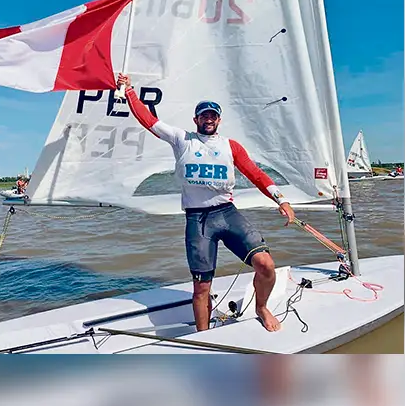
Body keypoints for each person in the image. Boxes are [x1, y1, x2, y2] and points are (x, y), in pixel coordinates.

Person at [117, 73, 295, 332]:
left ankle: (261, 307)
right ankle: (205, 336)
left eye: (213, 115)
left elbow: (256, 174)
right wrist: (129, 91)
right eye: (204, 115)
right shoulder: (182, 139)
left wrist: (282, 200)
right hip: (198, 220)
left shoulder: (230, 146)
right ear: (196, 119)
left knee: (266, 264)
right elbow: (149, 121)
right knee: (201, 287)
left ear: (219, 120)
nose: (208, 119)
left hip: (227, 214)